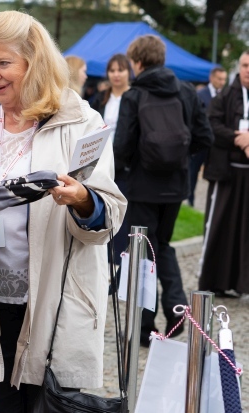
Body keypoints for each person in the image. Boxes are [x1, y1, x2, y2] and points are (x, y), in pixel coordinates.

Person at [0, 11, 126, 412]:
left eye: (3, 63)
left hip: (53, 300)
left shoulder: (81, 121)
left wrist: (82, 200)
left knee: (45, 400)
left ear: (34, 60)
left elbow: (109, 213)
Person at [114, 35, 213, 347]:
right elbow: (204, 136)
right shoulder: (186, 90)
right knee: (165, 245)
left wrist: (125, 172)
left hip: (142, 187)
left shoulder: (134, 95)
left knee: (143, 254)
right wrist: (181, 160)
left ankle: (144, 327)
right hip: (175, 186)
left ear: (138, 62)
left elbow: (122, 145)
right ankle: (176, 306)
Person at [199, 51, 249, 298]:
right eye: (245, 65)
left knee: (244, 230)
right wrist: (239, 139)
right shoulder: (225, 96)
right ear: (239, 67)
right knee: (220, 227)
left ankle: (242, 283)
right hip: (227, 174)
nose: (248, 70)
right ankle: (214, 281)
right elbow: (212, 124)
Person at [91, 53, 131, 263]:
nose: (116, 75)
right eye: (113, 70)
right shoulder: (102, 98)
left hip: (124, 165)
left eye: (120, 70)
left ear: (128, 72)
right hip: (102, 163)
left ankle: (118, 262)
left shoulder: (133, 97)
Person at [188, 66, 228, 206]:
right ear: (211, 78)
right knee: (193, 172)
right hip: (201, 143)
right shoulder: (200, 95)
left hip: (217, 144)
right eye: (219, 79)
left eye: (224, 79)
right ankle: (190, 200)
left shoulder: (225, 96)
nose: (222, 82)